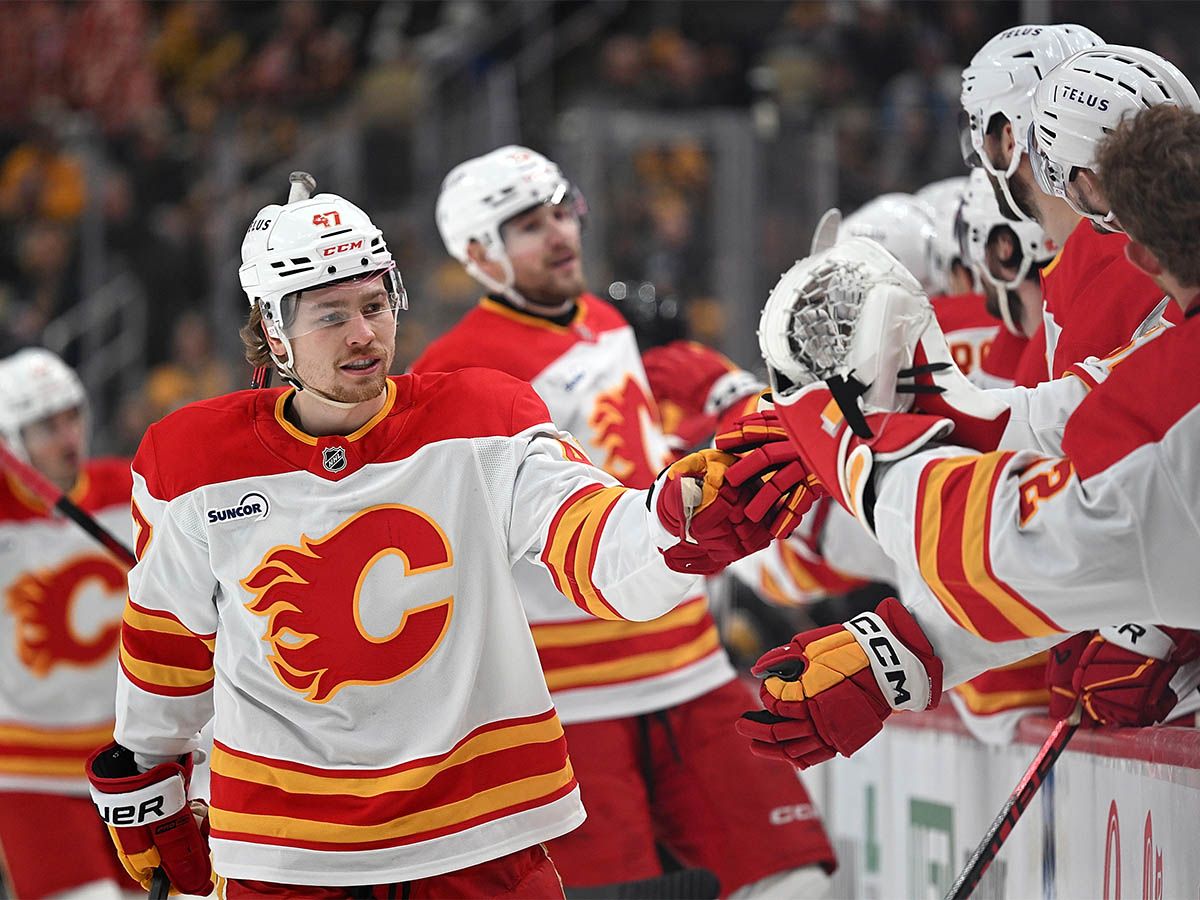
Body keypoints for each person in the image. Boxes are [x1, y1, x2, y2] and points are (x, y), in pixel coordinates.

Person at [83, 175, 799, 897]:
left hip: (485, 837)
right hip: (290, 856)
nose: (365, 334)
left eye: (374, 304)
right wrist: (147, 767)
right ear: (275, 331)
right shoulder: (192, 464)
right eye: (331, 315)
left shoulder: (483, 419)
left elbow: (594, 541)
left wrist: (675, 523)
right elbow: (166, 637)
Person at [413, 146, 835, 898]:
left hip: (689, 665)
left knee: (793, 877)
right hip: (571, 697)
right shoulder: (455, 368)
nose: (559, 234)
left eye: (559, 212)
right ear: (479, 254)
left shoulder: (605, 320)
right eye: (528, 226)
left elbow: (628, 464)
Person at [742, 104, 1200, 769]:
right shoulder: (1158, 364)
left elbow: (1013, 544)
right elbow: (1045, 426)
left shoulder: (1163, 393)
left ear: (1138, 250)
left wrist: (829, 415)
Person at [960, 24, 1173, 382]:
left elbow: (1065, 433)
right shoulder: (1083, 260)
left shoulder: (1106, 271)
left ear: (1009, 137)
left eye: (977, 130)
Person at [0, 348, 136, 898]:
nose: (66, 438)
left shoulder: (129, 487)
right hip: (30, 769)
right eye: (44, 427)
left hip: (132, 761)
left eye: (71, 417)